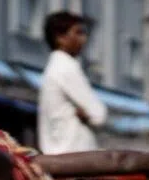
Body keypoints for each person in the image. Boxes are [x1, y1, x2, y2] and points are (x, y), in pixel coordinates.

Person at [38, 11, 107, 155]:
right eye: (78, 33)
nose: (83, 39)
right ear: (60, 38)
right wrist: (88, 116)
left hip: (58, 155)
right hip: (75, 157)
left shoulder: (53, 67)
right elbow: (99, 114)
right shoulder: (66, 66)